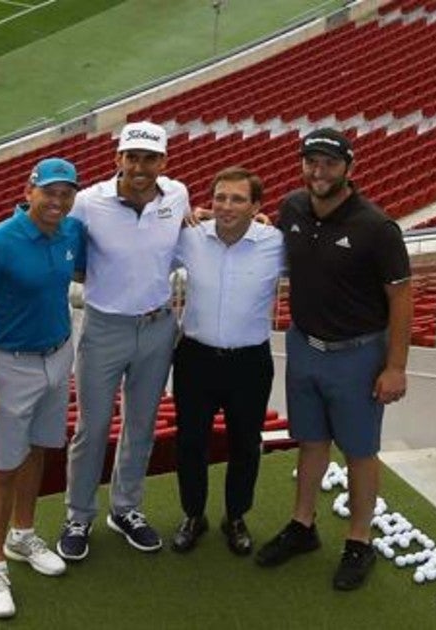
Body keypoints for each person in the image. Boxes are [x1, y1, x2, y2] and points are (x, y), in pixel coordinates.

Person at [255, 128, 412, 591]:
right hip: (304, 346)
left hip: (357, 355)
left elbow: (401, 298)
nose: (318, 172)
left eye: (328, 163)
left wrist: (396, 366)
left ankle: (359, 540)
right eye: (311, 162)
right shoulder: (293, 207)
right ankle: (303, 526)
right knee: (310, 441)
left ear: (349, 168)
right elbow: (271, 238)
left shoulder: (376, 227)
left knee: (360, 452)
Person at [58, 121, 190, 560]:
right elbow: (68, 256)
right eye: (131, 157)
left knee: (141, 426)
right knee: (91, 429)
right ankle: (78, 515)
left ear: (163, 163)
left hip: (157, 325)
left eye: (149, 158)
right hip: (104, 328)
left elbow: (185, 236)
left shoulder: (177, 195)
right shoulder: (87, 203)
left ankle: (126, 509)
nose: (139, 166)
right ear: (118, 159)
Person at [0, 157, 85, 619]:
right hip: (10, 364)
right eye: (49, 191)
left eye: (65, 193)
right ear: (29, 189)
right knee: (2, 466)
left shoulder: (72, 232)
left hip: (57, 356)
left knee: (39, 451)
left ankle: (23, 534)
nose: (57, 201)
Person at [170, 166, 284, 555]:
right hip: (195, 358)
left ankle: (235, 517)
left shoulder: (276, 243)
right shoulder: (190, 237)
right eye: (220, 197)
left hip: (249, 362)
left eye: (237, 199)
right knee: (190, 442)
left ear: (256, 206)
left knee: (245, 444)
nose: (226, 206)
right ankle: (193, 514)